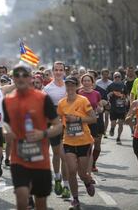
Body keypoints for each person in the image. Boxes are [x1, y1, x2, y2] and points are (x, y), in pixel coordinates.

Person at [3, 64, 62, 210]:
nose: (21, 77)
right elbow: (5, 125)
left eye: (24, 75)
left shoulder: (42, 98)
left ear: (30, 78)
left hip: (40, 159)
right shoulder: (7, 101)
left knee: (41, 203)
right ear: (13, 79)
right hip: (18, 158)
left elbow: (58, 125)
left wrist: (43, 134)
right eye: (17, 75)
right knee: (22, 198)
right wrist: (6, 132)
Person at [58, 76, 97, 209]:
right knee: (71, 171)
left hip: (84, 142)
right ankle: (75, 199)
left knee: (82, 173)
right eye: (67, 85)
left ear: (76, 87)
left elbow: (93, 119)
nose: (69, 88)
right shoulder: (61, 103)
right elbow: (59, 121)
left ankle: (87, 182)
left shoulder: (83, 100)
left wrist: (77, 119)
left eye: (72, 85)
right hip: (68, 141)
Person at [42, 61, 69, 197]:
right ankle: (57, 178)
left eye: (61, 70)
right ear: (52, 71)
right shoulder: (47, 89)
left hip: (68, 124)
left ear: (64, 71)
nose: (58, 72)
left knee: (65, 156)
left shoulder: (69, 87)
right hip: (53, 124)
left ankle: (66, 186)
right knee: (57, 154)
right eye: (56, 70)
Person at [78, 73, 104, 173]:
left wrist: (99, 109)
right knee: (84, 145)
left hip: (93, 121)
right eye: (84, 81)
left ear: (92, 82)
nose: (86, 82)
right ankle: (84, 167)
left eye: (88, 80)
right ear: (82, 82)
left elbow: (100, 107)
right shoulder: (79, 93)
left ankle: (91, 164)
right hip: (82, 122)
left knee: (93, 145)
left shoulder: (96, 93)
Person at [107, 72, 128, 144]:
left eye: (118, 76)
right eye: (115, 77)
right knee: (113, 123)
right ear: (113, 78)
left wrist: (126, 100)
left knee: (121, 123)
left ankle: (118, 137)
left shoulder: (124, 86)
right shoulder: (110, 86)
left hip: (122, 108)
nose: (117, 78)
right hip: (113, 108)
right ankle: (112, 128)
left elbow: (126, 95)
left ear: (121, 77)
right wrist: (109, 95)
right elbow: (106, 96)